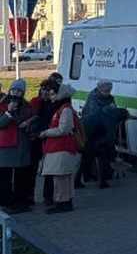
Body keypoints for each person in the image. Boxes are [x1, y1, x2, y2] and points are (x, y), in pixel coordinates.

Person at [38, 83, 80, 214]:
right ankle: (66, 200)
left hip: (62, 147)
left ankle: (62, 201)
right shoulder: (61, 108)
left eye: (53, 94)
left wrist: (45, 132)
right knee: (62, 175)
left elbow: (64, 129)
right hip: (58, 147)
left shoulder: (65, 109)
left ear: (61, 94)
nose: (51, 97)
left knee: (61, 176)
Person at [25, 76, 62, 207]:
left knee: (49, 169)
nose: (45, 92)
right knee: (32, 168)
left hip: (50, 138)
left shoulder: (56, 105)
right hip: (36, 139)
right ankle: (29, 195)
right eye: (43, 89)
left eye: (48, 90)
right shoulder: (35, 102)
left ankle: (48, 196)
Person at [0, 80, 35, 214]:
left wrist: (29, 122)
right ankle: (5, 202)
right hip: (5, 146)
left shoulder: (27, 105)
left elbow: (34, 117)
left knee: (22, 176)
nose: (15, 93)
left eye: (19, 91)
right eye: (13, 90)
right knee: (4, 177)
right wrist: (8, 113)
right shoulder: (2, 104)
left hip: (22, 145)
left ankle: (21, 202)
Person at [77, 107, 130, 189]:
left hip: (82, 132)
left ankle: (77, 181)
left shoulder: (105, 111)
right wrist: (115, 157)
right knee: (101, 155)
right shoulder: (110, 120)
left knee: (86, 157)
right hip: (87, 136)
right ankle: (102, 182)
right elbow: (110, 141)